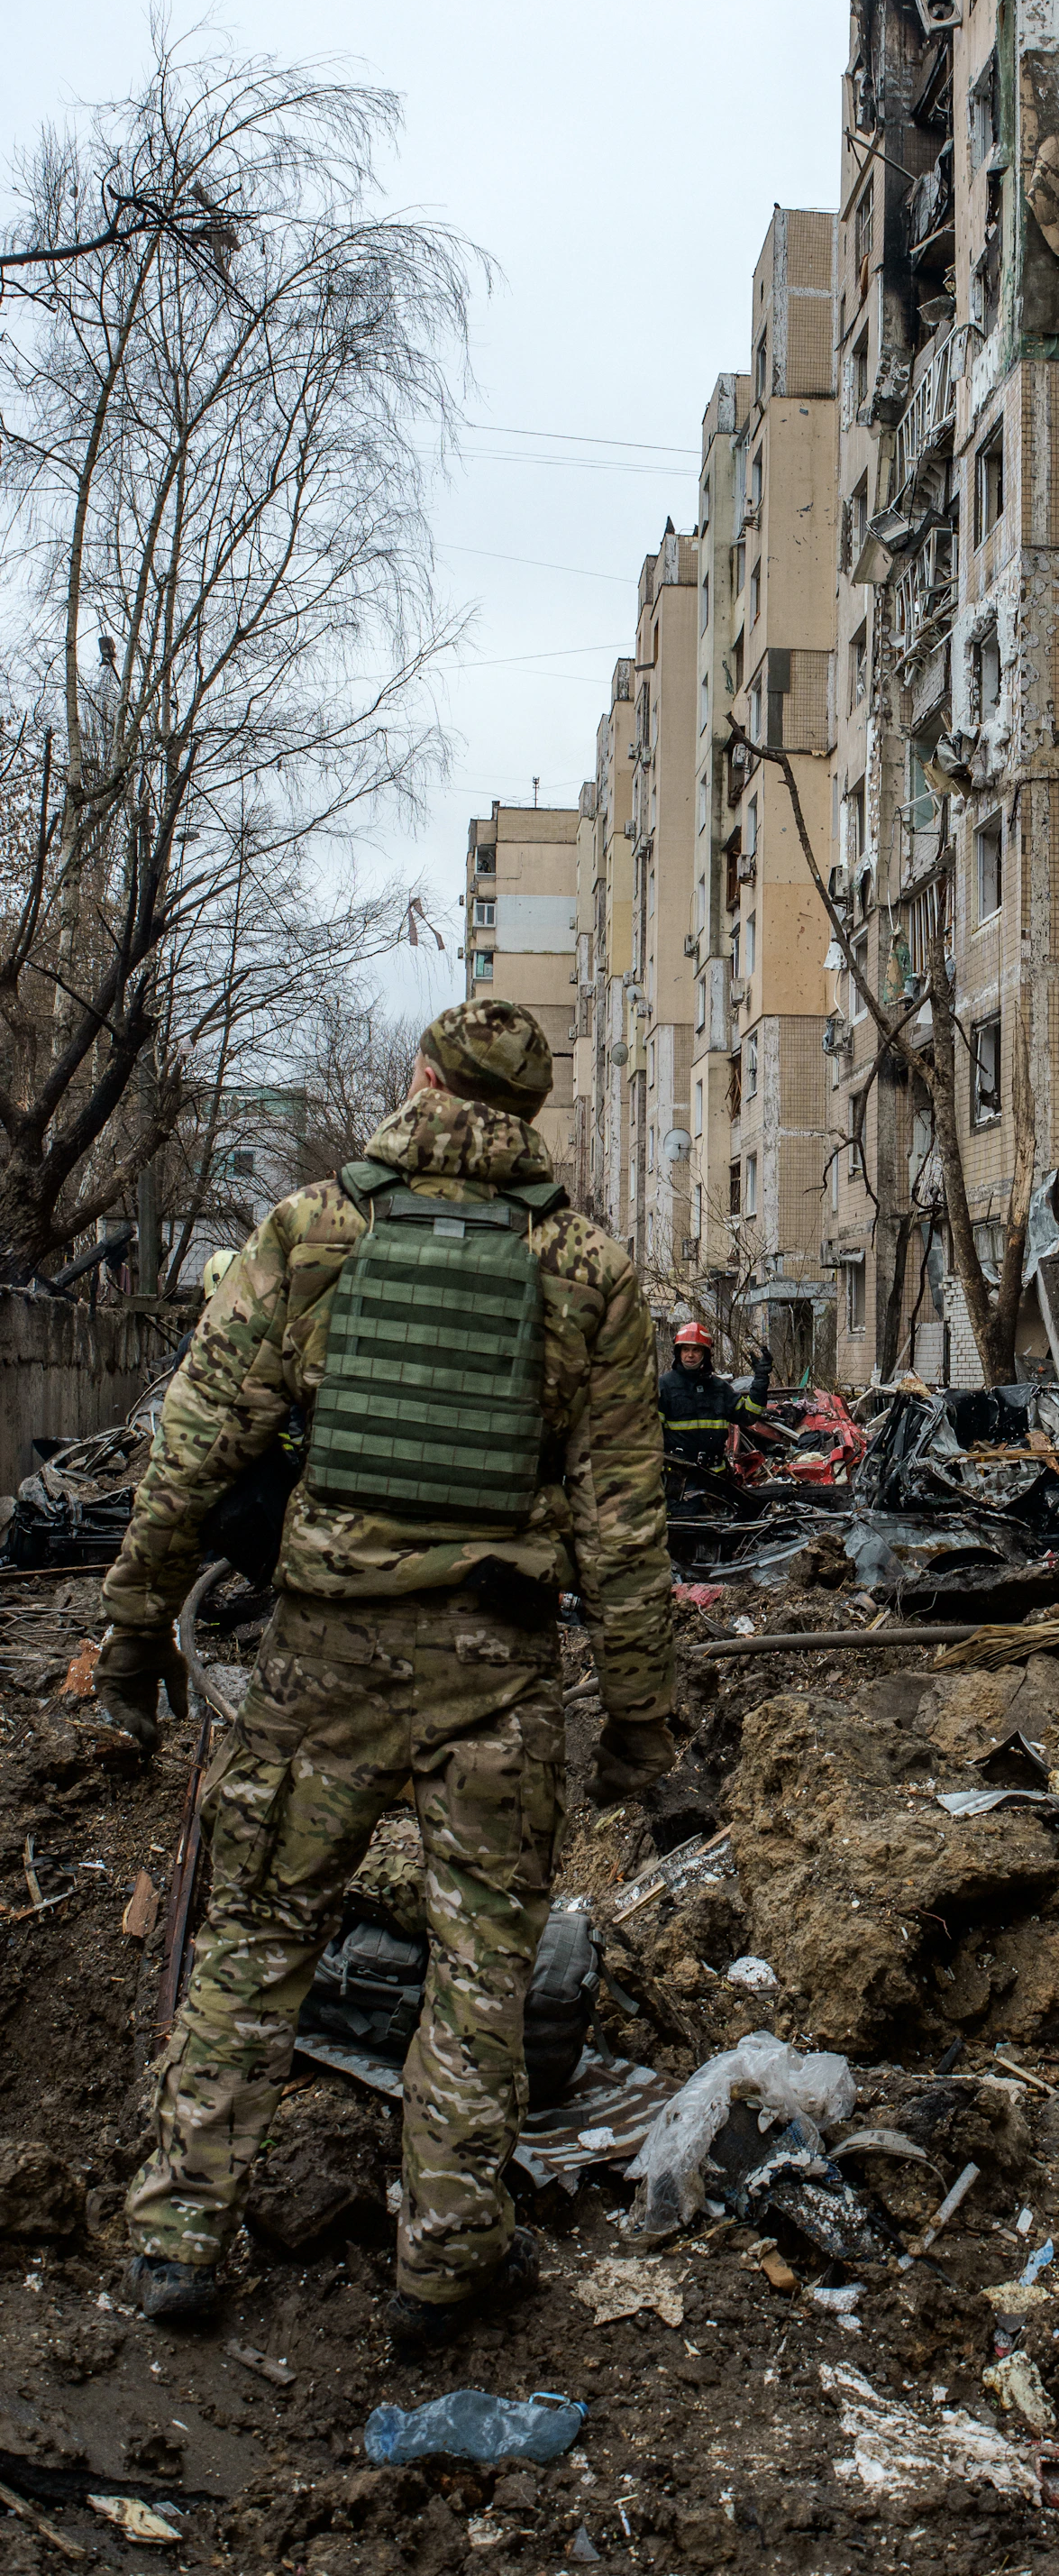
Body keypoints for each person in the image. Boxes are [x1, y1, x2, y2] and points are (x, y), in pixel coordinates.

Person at [95, 997, 674, 2353]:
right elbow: (628, 1529)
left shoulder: (311, 1231)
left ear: (420, 1082)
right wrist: (645, 1727)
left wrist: (131, 1629)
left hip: (321, 1664)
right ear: (527, 1114)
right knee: (482, 1972)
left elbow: (190, 1446)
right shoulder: (586, 1268)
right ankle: (446, 2265)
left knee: (254, 1936)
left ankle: (180, 2242)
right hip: (498, 1678)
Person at [656, 1320, 771, 1490]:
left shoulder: (719, 1388)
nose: (690, 1355)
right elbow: (651, 1435)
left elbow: (749, 1415)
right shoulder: (663, 1386)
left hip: (716, 1478)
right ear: (678, 1352)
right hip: (679, 1480)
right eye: (685, 1349)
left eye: (696, 1350)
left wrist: (760, 1381)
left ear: (706, 1353)